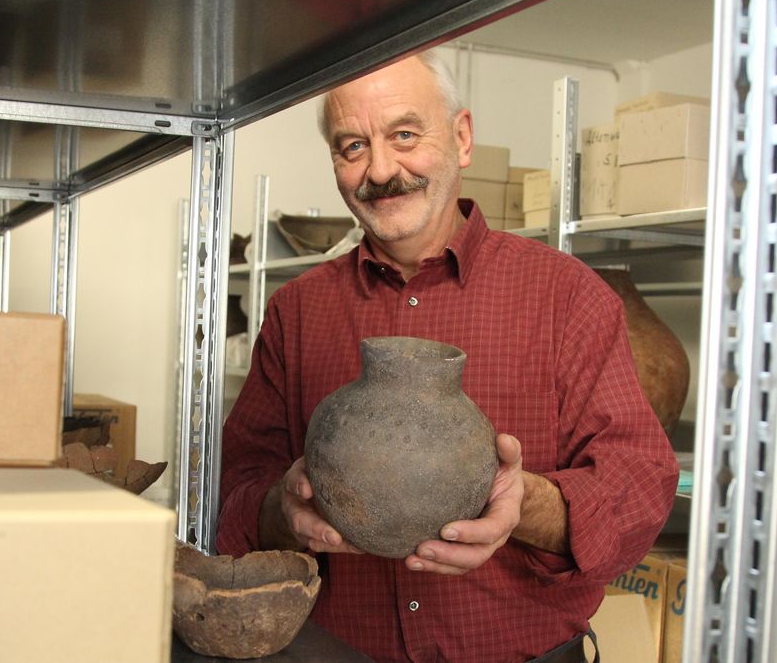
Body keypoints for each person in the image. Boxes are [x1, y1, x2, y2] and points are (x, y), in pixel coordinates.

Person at [216, 50, 679, 663]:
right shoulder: (297, 312)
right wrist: (283, 509)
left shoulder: (568, 298)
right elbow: (232, 490)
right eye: (352, 147)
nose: (381, 170)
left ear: (462, 138)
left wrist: (526, 504)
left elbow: (640, 491)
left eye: (405, 135)